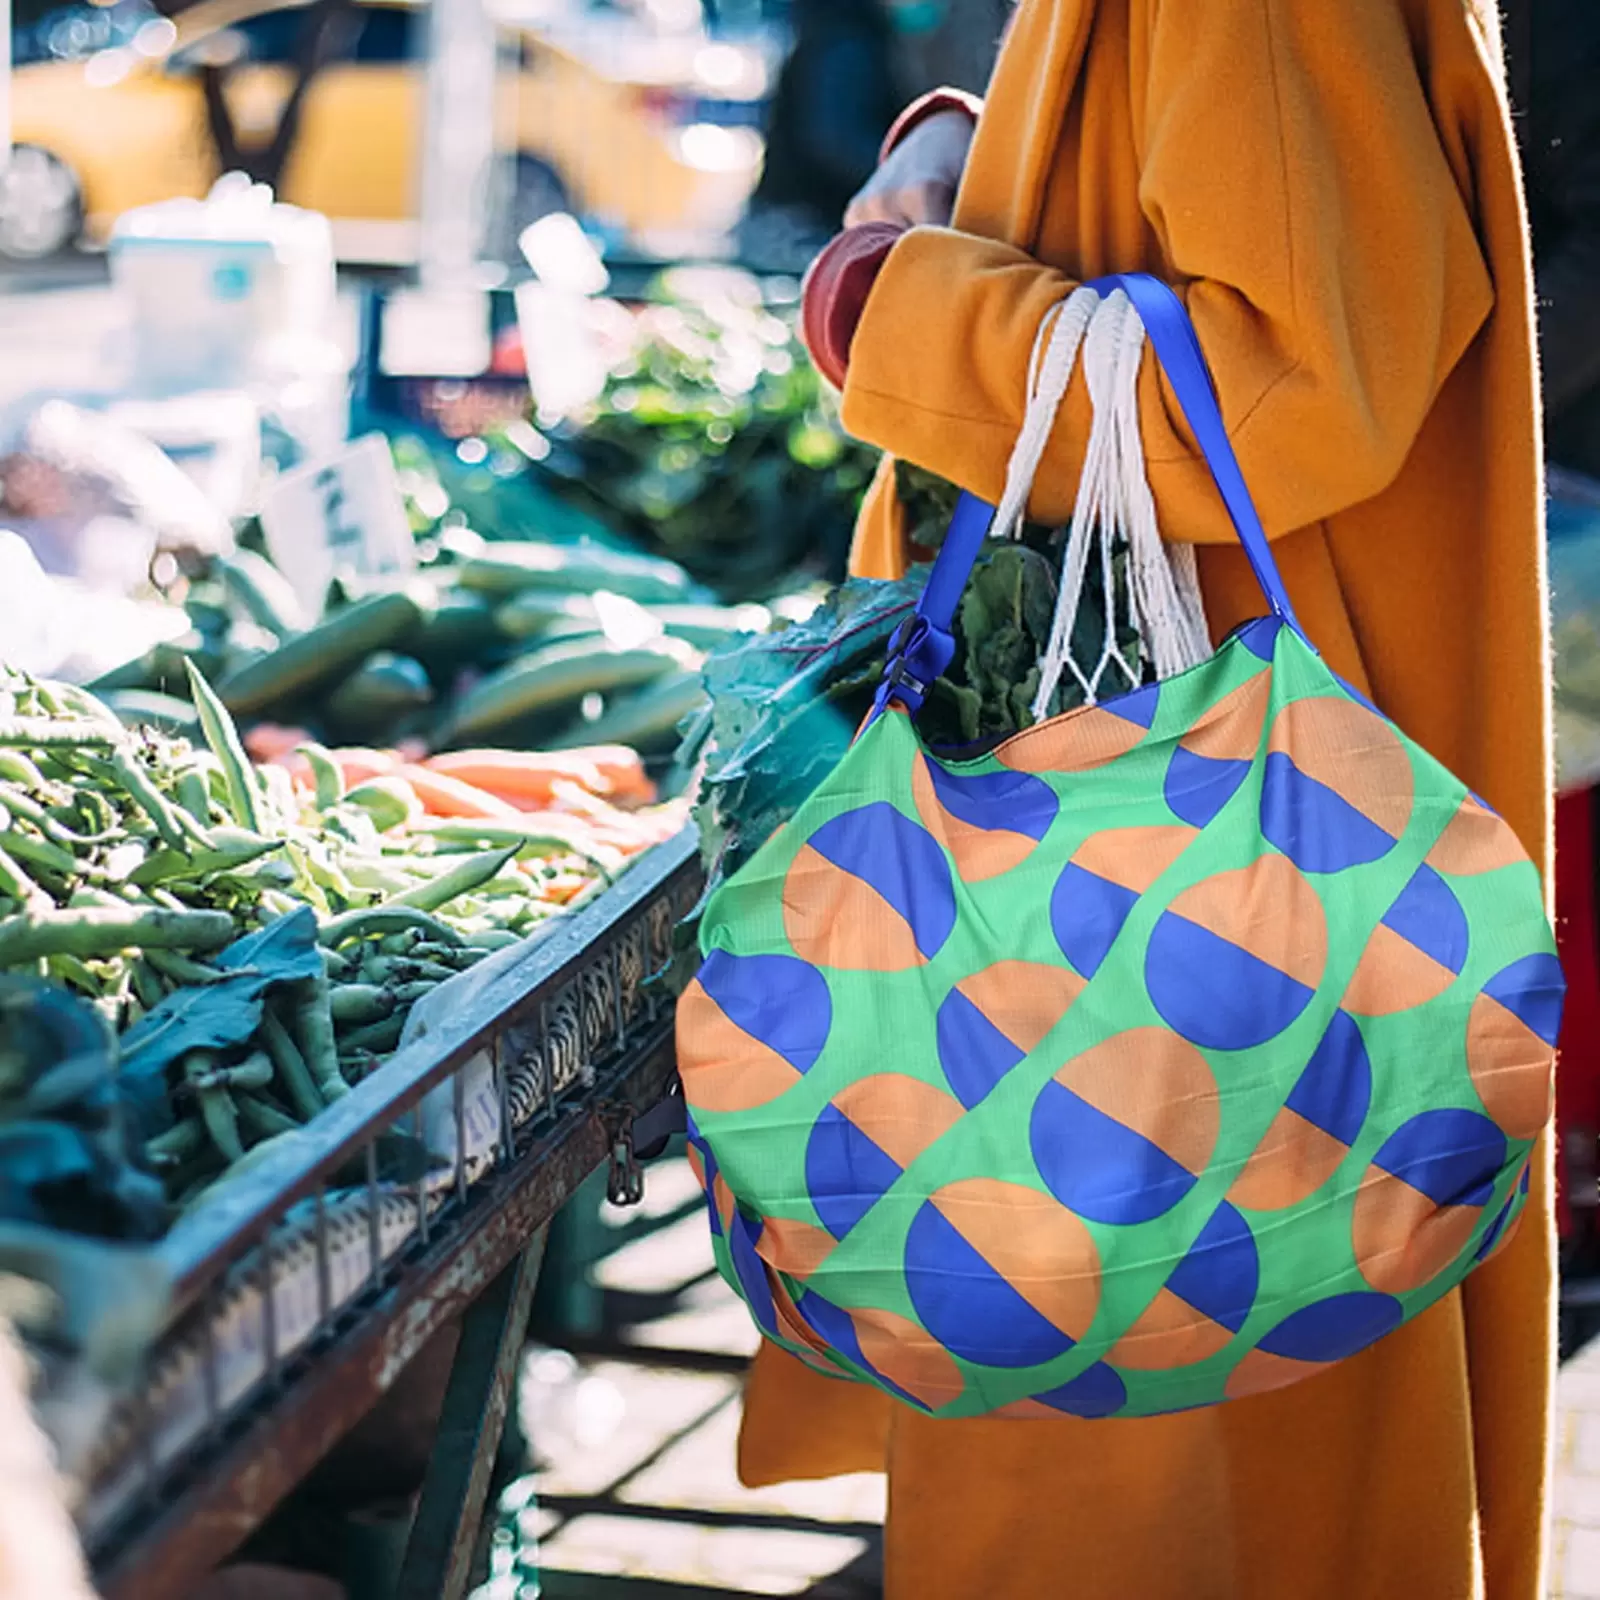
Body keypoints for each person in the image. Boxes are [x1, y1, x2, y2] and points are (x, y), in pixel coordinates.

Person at [746, 2, 1557, 1597]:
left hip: (1196, 839)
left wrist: (887, 310)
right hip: (1193, 823)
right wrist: (962, 158)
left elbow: (1284, 393)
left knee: (1175, 1435)